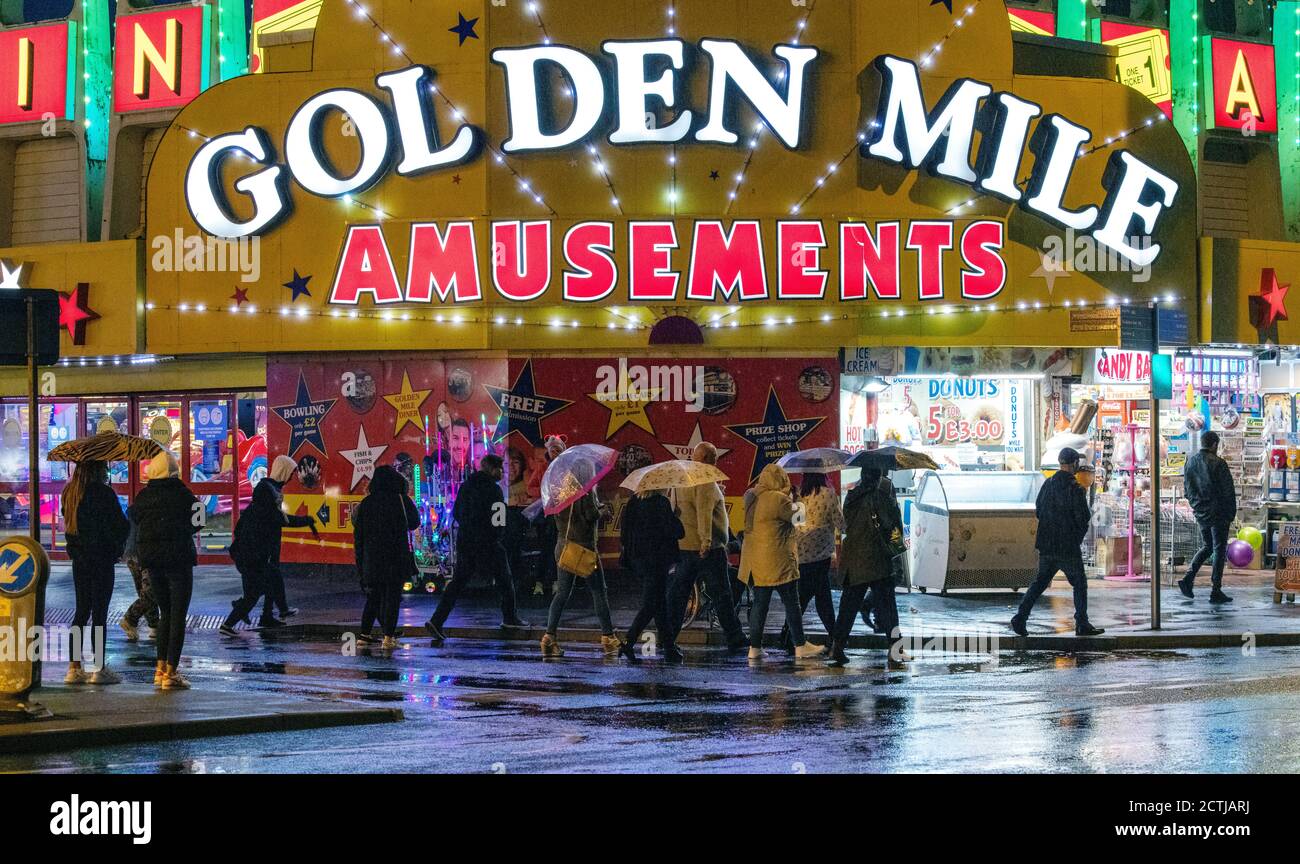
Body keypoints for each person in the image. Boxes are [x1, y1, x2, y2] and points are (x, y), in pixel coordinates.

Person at [426, 454, 527, 642]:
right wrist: (498, 535)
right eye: (500, 469)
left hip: (467, 541)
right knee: (505, 580)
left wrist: (469, 526)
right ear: (492, 469)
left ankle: (436, 620)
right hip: (488, 542)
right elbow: (499, 519)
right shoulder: (494, 490)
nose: (502, 473)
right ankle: (510, 617)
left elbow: (456, 512)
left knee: (457, 583)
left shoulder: (466, 486)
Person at [1011, 448, 1104, 637]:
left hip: (1047, 544)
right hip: (1067, 546)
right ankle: (1082, 623)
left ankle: (1020, 617)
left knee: (1040, 583)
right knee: (1079, 583)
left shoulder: (1048, 484)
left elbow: (1039, 510)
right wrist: (1075, 537)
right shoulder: (1076, 488)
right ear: (1074, 464)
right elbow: (1083, 518)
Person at [220, 455, 318, 635]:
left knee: (268, 581)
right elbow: (280, 519)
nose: (292, 477)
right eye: (290, 472)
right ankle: (230, 623)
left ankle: (268, 615)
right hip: (253, 553)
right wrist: (306, 520)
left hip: (256, 552)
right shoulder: (268, 492)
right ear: (283, 471)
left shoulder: (270, 489)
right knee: (258, 590)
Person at [737, 464, 826, 661]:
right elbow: (799, 517)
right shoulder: (777, 499)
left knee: (760, 604)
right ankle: (800, 645)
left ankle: (755, 648)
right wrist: (797, 498)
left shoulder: (751, 496)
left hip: (756, 561)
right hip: (777, 560)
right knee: (792, 603)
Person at [130, 451, 201, 689]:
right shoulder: (183, 494)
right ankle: (171, 673)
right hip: (179, 562)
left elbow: (133, 516)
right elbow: (199, 519)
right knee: (177, 616)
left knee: (164, 613)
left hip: (152, 563)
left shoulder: (144, 496)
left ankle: (159, 670)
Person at [667, 442, 747, 652]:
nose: (715, 462)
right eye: (713, 458)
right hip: (708, 549)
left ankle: (668, 639)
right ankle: (735, 637)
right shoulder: (704, 480)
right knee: (722, 594)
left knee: (679, 594)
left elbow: (678, 509)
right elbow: (703, 512)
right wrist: (706, 542)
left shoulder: (682, 479)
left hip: (685, 546)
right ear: (708, 460)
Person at [62, 460, 130, 685]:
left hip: (79, 561)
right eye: (103, 468)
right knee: (99, 613)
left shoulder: (70, 493)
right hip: (101, 559)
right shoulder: (103, 493)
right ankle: (98, 668)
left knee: (81, 611)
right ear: (97, 470)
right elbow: (120, 526)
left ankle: (74, 667)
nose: (106, 471)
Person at [829, 467, 902, 666]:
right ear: (878, 479)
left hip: (853, 559)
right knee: (888, 607)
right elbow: (890, 524)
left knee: (848, 607)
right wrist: (893, 507)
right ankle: (895, 651)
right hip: (876, 558)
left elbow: (845, 525)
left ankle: (837, 646)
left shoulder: (850, 497)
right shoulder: (880, 497)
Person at [543, 486, 619, 657]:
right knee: (599, 591)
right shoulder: (585, 490)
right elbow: (590, 515)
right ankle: (608, 637)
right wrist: (603, 510)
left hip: (563, 546)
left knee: (562, 593)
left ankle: (549, 637)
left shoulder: (558, 491)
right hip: (583, 549)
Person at [353, 465, 421, 649]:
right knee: (392, 597)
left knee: (374, 597)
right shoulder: (400, 499)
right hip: (395, 556)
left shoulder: (366, 503)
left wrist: (360, 563)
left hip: (371, 559)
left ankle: (364, 635)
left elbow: (358, 536)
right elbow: (415, 522)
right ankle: (388, 638)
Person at [619, 489, 685, 664]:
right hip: (658, 561)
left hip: (639, 561)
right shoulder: (661, 503)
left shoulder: (633, 503)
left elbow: (624, 534)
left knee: (659, 604)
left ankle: (670, 647)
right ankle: (628, 641)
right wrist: (676, 515)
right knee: (651, 605)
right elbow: (677, 532)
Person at [780, 472, 844, 652]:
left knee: (805, 595)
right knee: (820, 597)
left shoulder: (800, 495)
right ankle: (834, 637)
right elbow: (840, 523)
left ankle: (787, 635)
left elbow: (796, 523)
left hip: (801, 554)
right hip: (821, 555)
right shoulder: (829, 494)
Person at [1180, 430, 1237, 603]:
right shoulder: (1219, 463)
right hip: (1219, 513)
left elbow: (1187, 490)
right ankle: (1215, 590)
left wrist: (1197, 507)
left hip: (1201, 513)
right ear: (1214, 445)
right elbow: (1228, 492)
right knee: (1219, 550)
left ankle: (1188, 578)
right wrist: (1230, 513)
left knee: (1208, 546)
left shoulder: (1190, 462)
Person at [119, 515, 159, 642]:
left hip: (131, 553)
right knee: (152, 591)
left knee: (146, 591)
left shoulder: (134, 509)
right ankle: (130, 618)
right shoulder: (153, 506)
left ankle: (154, 626)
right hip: (146, 554)